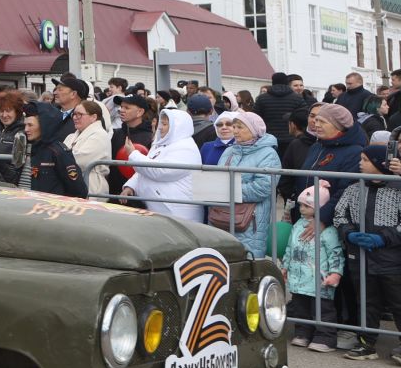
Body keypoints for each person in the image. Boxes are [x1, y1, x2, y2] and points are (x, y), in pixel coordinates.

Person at [332, 143, 401, 361]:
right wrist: (349, 233)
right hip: (360, 257)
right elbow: (339, 215)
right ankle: (366, 342)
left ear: (380, 164)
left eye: (365, 160)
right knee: (366, 301)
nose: (360, 164)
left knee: (397, 300)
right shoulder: (354, 188)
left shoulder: (397, 189)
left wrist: (384, 238)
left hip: (390, 257)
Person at [286, 184, 344, 351]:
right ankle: (302, 332)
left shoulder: (328, 230)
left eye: (307, 206)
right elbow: (290, 248)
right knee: (300, 308)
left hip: (320, 278)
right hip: (299, 277)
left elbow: (336, 253)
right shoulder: (298, 225)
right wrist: (285, 267)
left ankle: (325, 337)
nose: (302, 209)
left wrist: (335, 273)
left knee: (323, 309)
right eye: (301, 205)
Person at [122, 105, 204, 223]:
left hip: (178, 213)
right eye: (161, 123)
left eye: (165, 124)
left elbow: (162, 171)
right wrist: (131, 186)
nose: (160, 128)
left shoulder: (186, 148)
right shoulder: (161, 143)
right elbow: (148, 165)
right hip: (161, 210)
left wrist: (133, 155)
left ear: (177, 127)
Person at [215, 111, 280, 257]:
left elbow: (263, 187)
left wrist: (228, 191)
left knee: (247, 262)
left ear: (254, 130)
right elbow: (218, 178)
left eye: (240, 127)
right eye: (234, 126)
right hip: (222, 216)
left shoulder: (268, 154)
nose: (235, 131)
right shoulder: (230, 151)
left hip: (250, 221)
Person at [302, 103, 367, 227]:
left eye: (323, 121)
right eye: (316, 120)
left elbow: (345, 191)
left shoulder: (354, 152)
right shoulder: (316, 147)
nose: (316, 125)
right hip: (306, 215)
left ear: (339, 126)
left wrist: (322, 218)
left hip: (330, 222)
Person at [22, 102, 86, 197]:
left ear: (44, 125)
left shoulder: (58, 152)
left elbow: (78, 190)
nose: (26, 129)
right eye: (25, 125)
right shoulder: (27, 148)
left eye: (30, 125)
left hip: (51, 208)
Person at [64, 99, 111, 198]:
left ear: (93, 117)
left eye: (79, 114)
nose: (75, 118)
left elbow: (80, 160)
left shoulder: (100, 135)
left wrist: (61, 158)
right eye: (74, 114)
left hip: (92, 186)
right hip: (70, 183)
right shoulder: (70, 136)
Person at [47, 74, 86, 143]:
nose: (55, 92)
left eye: (60, 90)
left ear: (73, 94)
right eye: (56, 89)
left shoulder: (86, 116)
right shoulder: (50, 113)